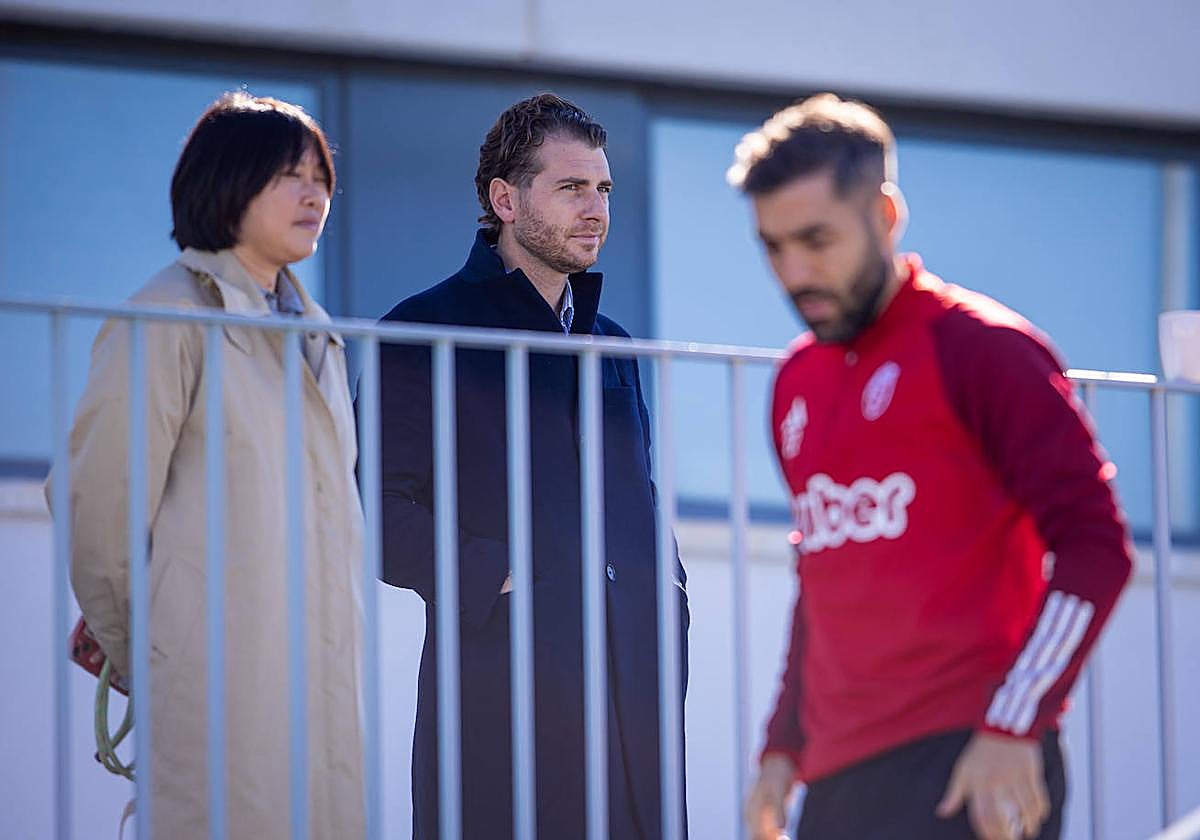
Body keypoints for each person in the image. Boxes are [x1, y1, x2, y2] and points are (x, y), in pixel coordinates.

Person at [729, 93, 1133, 840]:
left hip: (973, 764)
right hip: (838, 778)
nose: (795, 272)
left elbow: (1094, 546)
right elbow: (821, 579)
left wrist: (1014, 725)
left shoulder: (983, 349)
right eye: (774, 246)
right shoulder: (795, 383)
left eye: (817, 239)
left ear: (884, 216)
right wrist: (783, 746)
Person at [368, 92, 688, 839]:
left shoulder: (614, 345)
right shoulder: (423, 329)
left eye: (603, 189)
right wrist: (502, 581)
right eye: (571, 187)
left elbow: (638, 499)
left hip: (633, 700)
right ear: (505, 199)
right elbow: (374, 509)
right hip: (498, 689)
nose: (596, 208)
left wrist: (665, 594)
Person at [55, 92, 364, 839]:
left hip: (317, 701)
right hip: (212, 695)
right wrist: (158, 659)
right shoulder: (167, 315)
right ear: (227, 183)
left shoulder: (319, 335)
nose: (313, 193)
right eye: (289, 175)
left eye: (320, 176)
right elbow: (100, 508)